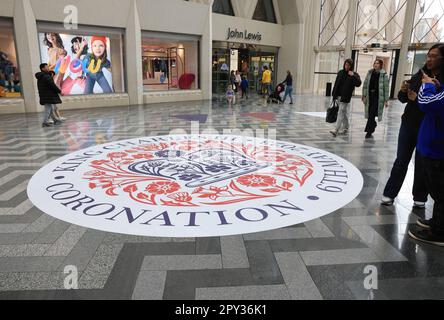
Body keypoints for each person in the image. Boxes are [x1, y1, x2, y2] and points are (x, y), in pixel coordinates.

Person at [381, 45, 444, 208]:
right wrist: (403, 91)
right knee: (401, 159)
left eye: (434, 56)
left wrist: (418, 98)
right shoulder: (421, 74)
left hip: (428, 128)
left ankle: (420, 197)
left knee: (422, 163)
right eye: (428, 56)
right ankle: (389, 193)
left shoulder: (440, 81)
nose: (429, 59)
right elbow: (403, 98)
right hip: (409, 123)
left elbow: (433, 105)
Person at [408, 71, 444, 246]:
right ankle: (437, 223)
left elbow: (426, 103)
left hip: (438, 148)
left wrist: (428, 85)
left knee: (440, 192)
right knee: (439, 192)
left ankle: (439, 232)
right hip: (434, 146)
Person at [330, 60, 361, 137]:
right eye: (346, 65)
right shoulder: (340, 72)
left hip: (346, 97)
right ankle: (346, 126)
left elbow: (358, 84)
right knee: (343, 112)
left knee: (340, 112)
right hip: (338, 96)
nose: (347, 66)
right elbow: (336, 83)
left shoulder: (354, 74)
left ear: (351, 66)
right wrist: (334, 94)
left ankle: (336, 129)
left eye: (348, 65)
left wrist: (353, 75)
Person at [362, 59, 390, 139]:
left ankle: (368, 131)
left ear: (380, 65)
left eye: (377, 63)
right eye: (375, 63)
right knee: (371, 113)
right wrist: (364, 96)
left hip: (378, 97)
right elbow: (365, 84)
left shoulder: (384, 75)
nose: (375, 64)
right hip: (370, 96)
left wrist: (386, 100)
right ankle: (373, 124)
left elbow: (386, 88)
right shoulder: (370, 73)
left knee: (372, 113)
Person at [43, 33, 66, 121]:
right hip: (51, 73)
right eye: (48, 35)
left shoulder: (61, 50)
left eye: (52, 35)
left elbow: (59, 62)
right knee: (53, 96)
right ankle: (55, 116)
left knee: (54, 96)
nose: (50, 37)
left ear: (56, 36)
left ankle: (56, 116)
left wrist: (50, 68)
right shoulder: (49, 50)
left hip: (57, 73)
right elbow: (51, 62)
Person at [35, 63, 63, 127]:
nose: (48, 67)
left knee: (51, 107)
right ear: (43, 68)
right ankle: (45, 122)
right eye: (46, 67)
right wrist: (59, 91)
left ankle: (55, 119)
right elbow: (52, 85)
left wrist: (51, 75)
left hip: (46, 94)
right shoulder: (46, 76)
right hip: (47, 94)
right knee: (48, 108)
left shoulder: (43, 76)